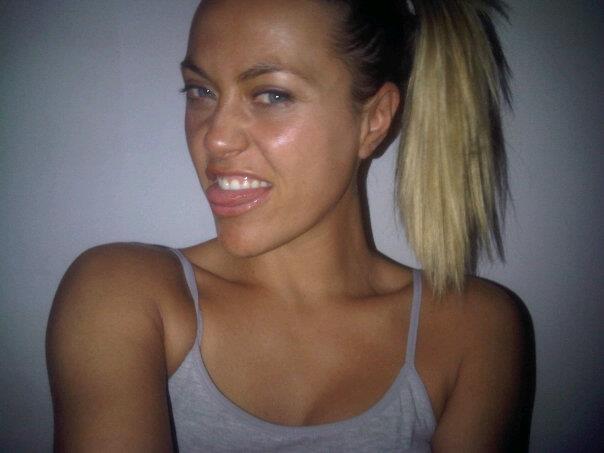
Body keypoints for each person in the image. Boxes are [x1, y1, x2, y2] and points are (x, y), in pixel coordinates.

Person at [46, 0, 530, 451]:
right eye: (201, 91)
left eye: (271, 94)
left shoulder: (473, 330)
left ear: (375, 120)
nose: (215, 138)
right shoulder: (125, 295)